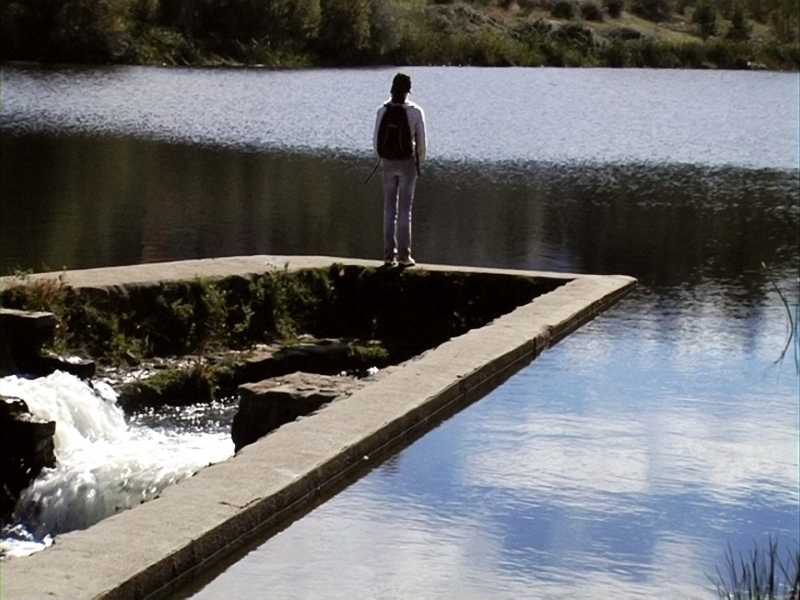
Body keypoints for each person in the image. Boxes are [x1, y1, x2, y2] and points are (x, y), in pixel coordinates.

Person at [373, 73, 427, 267]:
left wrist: (381, 159)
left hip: (387, 163)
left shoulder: (382, 110)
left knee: (389, 209)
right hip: (407, 164)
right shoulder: (415, 112)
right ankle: (404, 256)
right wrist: (419, 162)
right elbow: (421, 144)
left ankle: (389, 255)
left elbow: (376, 141)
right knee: (405, 210)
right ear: (407, 91)